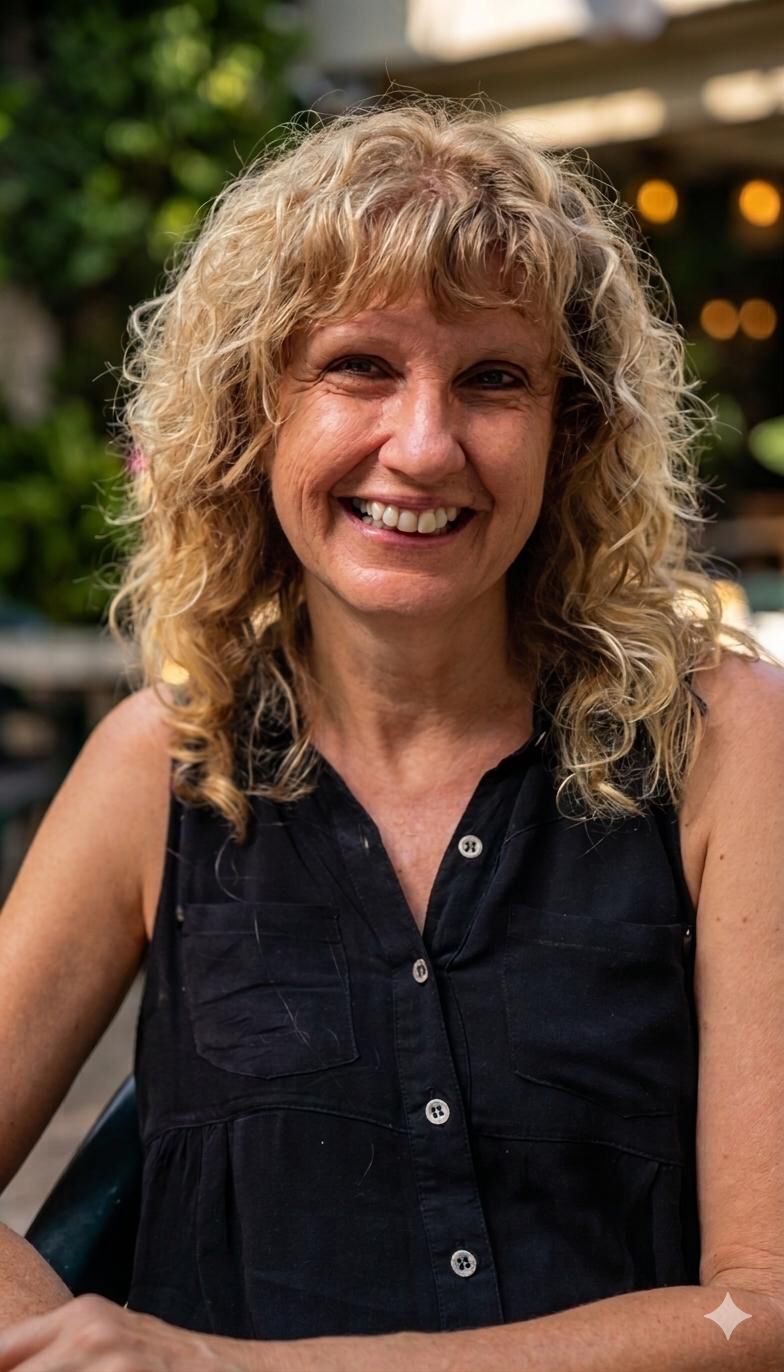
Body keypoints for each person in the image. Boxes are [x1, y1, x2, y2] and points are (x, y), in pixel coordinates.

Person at [1, 95, 783, 1372]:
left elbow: (768, 1307)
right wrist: (70, 1343)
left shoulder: (723, 744)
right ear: (255, 413)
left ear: (570, 431)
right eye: (358, 366)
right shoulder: (162, 762)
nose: (422, 446)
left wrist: (225, 1368)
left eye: (493, 379)